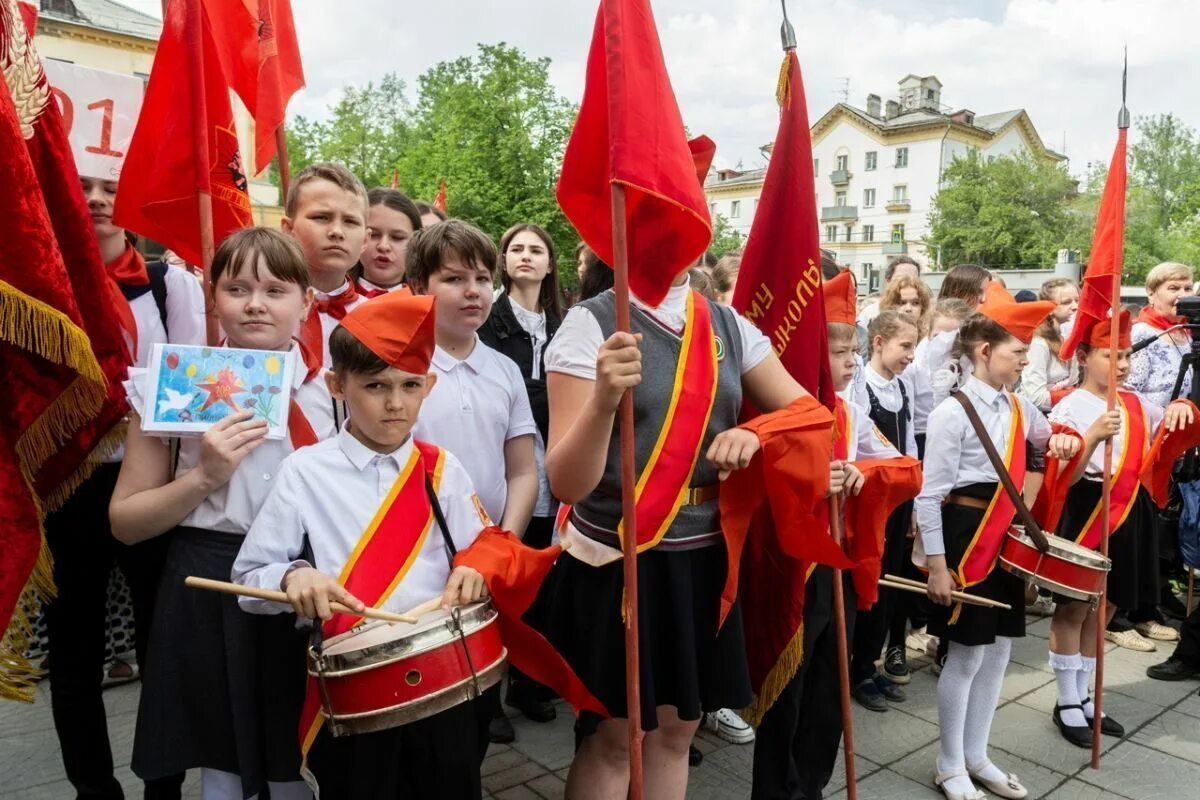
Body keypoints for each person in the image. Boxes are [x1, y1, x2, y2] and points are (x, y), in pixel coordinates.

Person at [541, 256, 849, 799]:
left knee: (678, 730)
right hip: (621, 559)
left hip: (703, 559)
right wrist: (602, 400)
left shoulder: (729, 324)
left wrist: (759, 433)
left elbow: (809, 412)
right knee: (615, 736)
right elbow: (567, 484)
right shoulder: (590, 322)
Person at [232, 292, 493, 799]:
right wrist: (292, 576)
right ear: (337, 385)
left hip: (444, 680)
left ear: (428, 386)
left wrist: (478, 564)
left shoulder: (442, 468)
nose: (395, 403)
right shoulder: (303, 472)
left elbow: (484, 543)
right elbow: (249, 577)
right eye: (375, 386)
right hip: (354, 694)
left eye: (409, 386)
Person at [111, 227, 338, 799]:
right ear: (212, 298)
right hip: (208, 581)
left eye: (275, 289)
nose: (256, 303)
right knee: (224, 763)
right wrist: (204, 476)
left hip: (309, 584)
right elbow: (127, 521)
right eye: (237, 288)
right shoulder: (171, 387)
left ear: (306, 301)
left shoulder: (335, 389)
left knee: (303, 757)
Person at [41, 176, 205, 800]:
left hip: (150, 483)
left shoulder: (170, 285)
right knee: (73, 652)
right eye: (80, 185)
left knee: (160, 643)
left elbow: (194, 384)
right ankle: (93, 789)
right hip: (65, 487)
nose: (97, 198)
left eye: (112, 186)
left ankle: (163, 786)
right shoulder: (37, 285)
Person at [916, 290, 1078, 800]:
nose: (1026, 360)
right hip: (968, 543)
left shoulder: (1018, 405)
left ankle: (976, 755)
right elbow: (930, 498)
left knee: (1001, 651)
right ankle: (948, 764)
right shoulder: (951, 413)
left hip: (1004, 536)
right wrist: (938, 568)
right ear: (984, 350)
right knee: (964, 656)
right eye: (1017, 351)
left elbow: (1047, 438)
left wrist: (1070, 436)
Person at [751, 269, 904, 800]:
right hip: (792, 565)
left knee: (828, 688)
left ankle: (811, 786)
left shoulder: (851, 411)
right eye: (840, 354)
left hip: (836, 561)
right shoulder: (780, 412)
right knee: (786, 694)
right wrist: (812, 481)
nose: (850, 365)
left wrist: (866, 475)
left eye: (853, 354)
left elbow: (903, 466)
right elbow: (758, 485)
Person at [406, 220, 539, 745]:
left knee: (478, 702)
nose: (473, 292)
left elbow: (523, 469)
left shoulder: (505, 370)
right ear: (418, 287)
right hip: (414, 561)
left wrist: (503, 542)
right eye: (454, 279)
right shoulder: (399, 368)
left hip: (486, 557)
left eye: (484, 279)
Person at [1045, 310, 1196, 748]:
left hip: (1130, 511)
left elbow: (1168, 425)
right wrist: (1091, 437)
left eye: (1128, 355)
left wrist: (1183, 407)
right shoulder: (1070, 404)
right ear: (1086, 356)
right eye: (1112, 355)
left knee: (1106, 608)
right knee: (1074, 607)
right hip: (1090, 507)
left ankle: (1089, 695)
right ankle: (1066, 699)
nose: (1124, 364)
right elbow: (1063, 480)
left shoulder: (1134, 403)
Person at [478, 222, 566, 725]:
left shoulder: (564, 323)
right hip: (509, 464)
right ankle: (489, 691)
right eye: (516, 249)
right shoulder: (489, 321)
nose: (526, 257)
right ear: (504, 260)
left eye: (536, 250)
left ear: (550, 264)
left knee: (542, 576)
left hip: (555, 466)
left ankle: (529, 683)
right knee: (500, 575)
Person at [850, 311, 922, 710]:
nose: (911, 355)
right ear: (878, 342)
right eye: (904, 346)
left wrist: (913, 497)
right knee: (869, 580)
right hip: (872, 501)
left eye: (914, 346)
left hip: (898, 500)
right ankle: (858, 669)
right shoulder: (863, 386)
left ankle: (870, 661)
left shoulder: (901, 387)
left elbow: (909, 443)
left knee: (890, 583)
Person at [284, 163, 369, 368]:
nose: (337, 231)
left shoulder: (377, 317)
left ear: (366, 240)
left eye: (350, 221)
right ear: (288, 229)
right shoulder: (260, 311)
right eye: (321, 217)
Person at [1129, 262, 1194, 410]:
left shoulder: (1188, 331)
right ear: (1151, 294)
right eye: (1174, 288)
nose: (1183, 295)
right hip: (1154, 427)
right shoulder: (1142, 335)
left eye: (1188, 288)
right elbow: (1129, 393)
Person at [1020, 278, 1079, 412]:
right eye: (1066, 302)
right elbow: (1035, 398)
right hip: (1042, 418)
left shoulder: (1066, 337)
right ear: (1050, 307)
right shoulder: (1039, 343)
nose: (1075, 306)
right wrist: (1075, 396)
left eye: (1077, 300)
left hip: (1064, 412)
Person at [353, 188, 422, 298]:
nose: (383, 246)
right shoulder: (327, 302)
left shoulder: (429, 307)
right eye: (373, 235)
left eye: (397, 237)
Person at [859, 255, 921, 328]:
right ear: (888, 281)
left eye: (913, 279)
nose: (907, 283)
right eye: (901, 279)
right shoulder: (870, 313)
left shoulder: (927, 315)